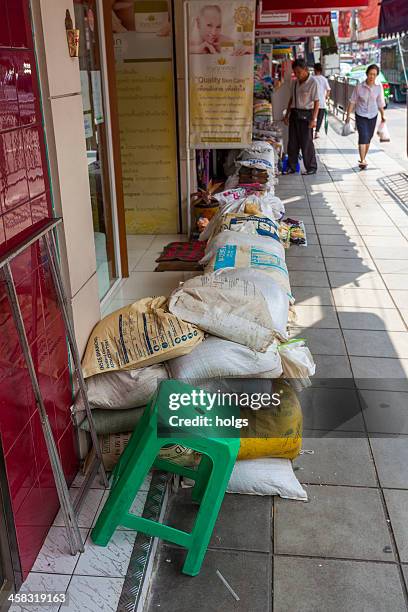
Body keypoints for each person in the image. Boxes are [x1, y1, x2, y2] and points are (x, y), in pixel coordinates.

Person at [345, 64, 386, 169]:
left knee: (369, 137)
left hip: (373, 115)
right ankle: (362, 160)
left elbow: (380, 102)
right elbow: (353, 101)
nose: (372, 76)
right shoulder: (359, 86)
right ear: (367, 74)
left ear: (376, 76)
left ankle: (364, 157)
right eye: (370, 74)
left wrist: (383, 115)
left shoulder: (378, 86)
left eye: (374, 74)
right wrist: (348, 115)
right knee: (363, 136)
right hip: (361, 114)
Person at [283, 58, 319, 175]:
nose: (297, 75)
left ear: (305, 70)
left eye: (299, 72)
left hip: (307, 114)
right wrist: (287, 114)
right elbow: (291, 99)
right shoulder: (295, 83)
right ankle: (291, 166)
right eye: (295, 72)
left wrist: (314, 119)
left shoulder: (313, 82)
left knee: (306, 142)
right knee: (292, 142)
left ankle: (311, 167)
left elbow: (317, 102)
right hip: (294, 113)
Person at [313, 63, 331, 139]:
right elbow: (328, 90)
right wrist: (326, 97)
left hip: (313, 102)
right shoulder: (324, 79)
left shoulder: (312, 78)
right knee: (320, 118)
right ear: (321, 70)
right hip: (321, 102)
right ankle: (317, 132)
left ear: (314, 70)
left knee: (312, 117)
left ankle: (311, 130)